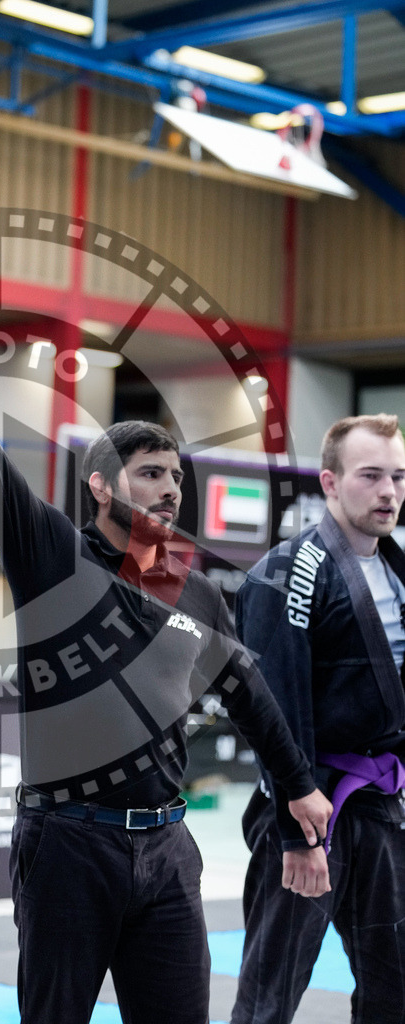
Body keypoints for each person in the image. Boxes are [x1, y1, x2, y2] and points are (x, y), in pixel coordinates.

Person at [0, 280, 331, 1024]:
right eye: (151, 474)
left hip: (166, 848)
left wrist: (297, 794)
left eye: (177, 478)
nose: (170, 491)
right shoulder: (54, 559)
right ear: (99, 485)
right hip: (68, 848)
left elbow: (250, 695)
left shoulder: (194, 590)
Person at [230, 413, 405, 1024]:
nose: (388, 492)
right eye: (371, 476)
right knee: (269, 996)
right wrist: (294, 831)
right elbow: (273, 704)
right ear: (329, 483)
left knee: (395, 986)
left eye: (399, 477)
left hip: (378, 807)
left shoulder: (396, 570)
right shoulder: (288, 571)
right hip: (310, 806)